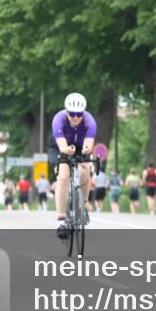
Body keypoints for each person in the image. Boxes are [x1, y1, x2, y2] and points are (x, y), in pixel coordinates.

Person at [51, 93, 97, 238]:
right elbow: (63, 147)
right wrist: (66, 152)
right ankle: (61, 220)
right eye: (72, 114)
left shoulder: (90, 122)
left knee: (85, 171)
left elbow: (88, 146)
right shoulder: (58, 120)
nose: (76, 117)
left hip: (81, 146)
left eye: (79, 114)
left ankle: (83, 205)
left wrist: (86, 153)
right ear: (66, 111)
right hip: (62, 146)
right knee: (63, 178)